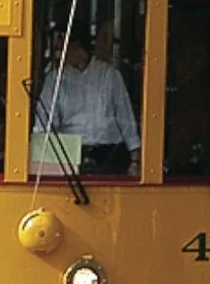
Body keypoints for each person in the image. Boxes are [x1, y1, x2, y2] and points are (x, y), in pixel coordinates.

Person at [35, 27, 140, 176]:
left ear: (76, 46)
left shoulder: (109, 75)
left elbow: (126, 117)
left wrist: (135, 160)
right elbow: (44, 121)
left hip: (108, 154)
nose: (58, 56)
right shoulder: (55, 79)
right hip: (70, 156)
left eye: (61, 49)